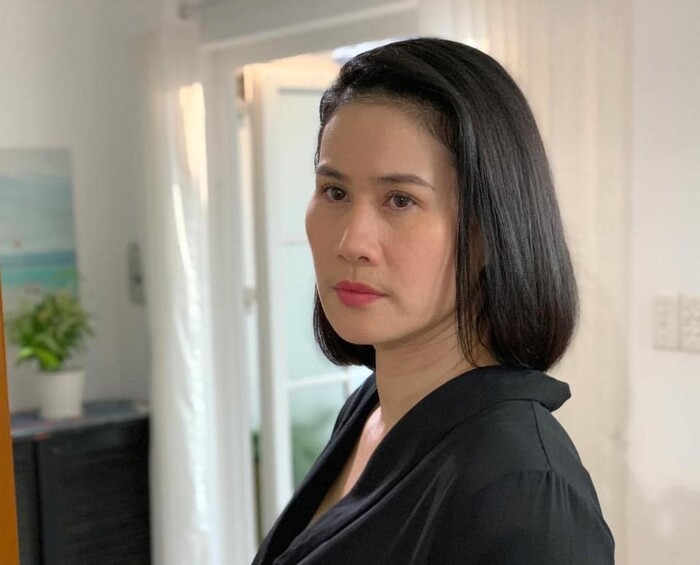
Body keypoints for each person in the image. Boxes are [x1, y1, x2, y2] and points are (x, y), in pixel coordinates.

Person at [252, 37, 614, 564]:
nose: (351, 242)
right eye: (335, 192)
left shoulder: (524, 492)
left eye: (400, 200)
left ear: (489, 230)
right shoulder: (373, 408)